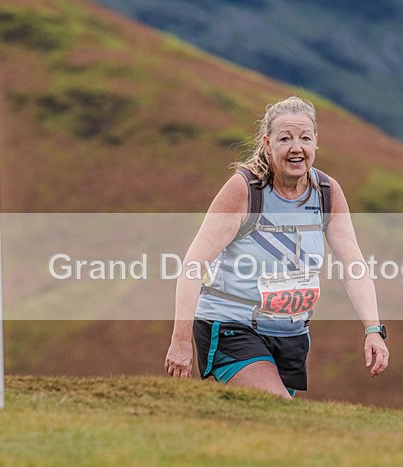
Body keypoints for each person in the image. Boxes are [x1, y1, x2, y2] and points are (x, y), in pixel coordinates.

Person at [164, 96, 389, 398]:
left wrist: (373, 329)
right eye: (286, 138)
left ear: (316, 142)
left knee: (265, 430)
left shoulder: (326, 192)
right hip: (233, 327)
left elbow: (354, 267)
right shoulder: (245, 190)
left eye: (305, 138)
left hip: (292, 335)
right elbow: (193, 265)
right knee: (279, 410)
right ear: (267, 143)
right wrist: (180, 340)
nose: (297, 147)